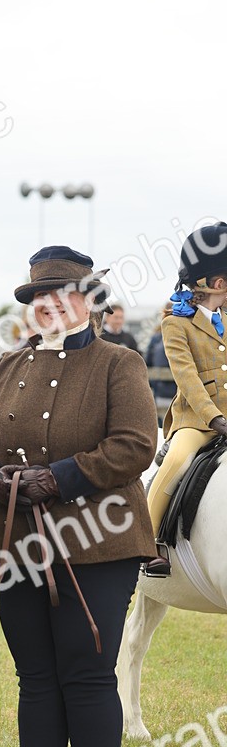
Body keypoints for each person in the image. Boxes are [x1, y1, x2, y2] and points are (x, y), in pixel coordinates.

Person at [0, 246, 157, 747]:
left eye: (61, 295)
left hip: (96, 544)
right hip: (17, 542)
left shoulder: (119, 364)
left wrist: (62, 478)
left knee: (87, 674)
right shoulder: (6, 366)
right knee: (35, 676)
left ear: (87, 301)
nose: (49, 306)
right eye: (40, 298)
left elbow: (135, 444)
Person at [144, 223, 227, 577]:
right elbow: (188, 380)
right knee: (176, 461)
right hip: (197, 420)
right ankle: (147, 543)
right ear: (219, 284)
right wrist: (215, 419)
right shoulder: (176, 325)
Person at [144, 303, 176, 427]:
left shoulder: (188, 336)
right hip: (161, 392)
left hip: (181, 393)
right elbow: (148, 363)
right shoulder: (156, 338)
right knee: (162, 427)